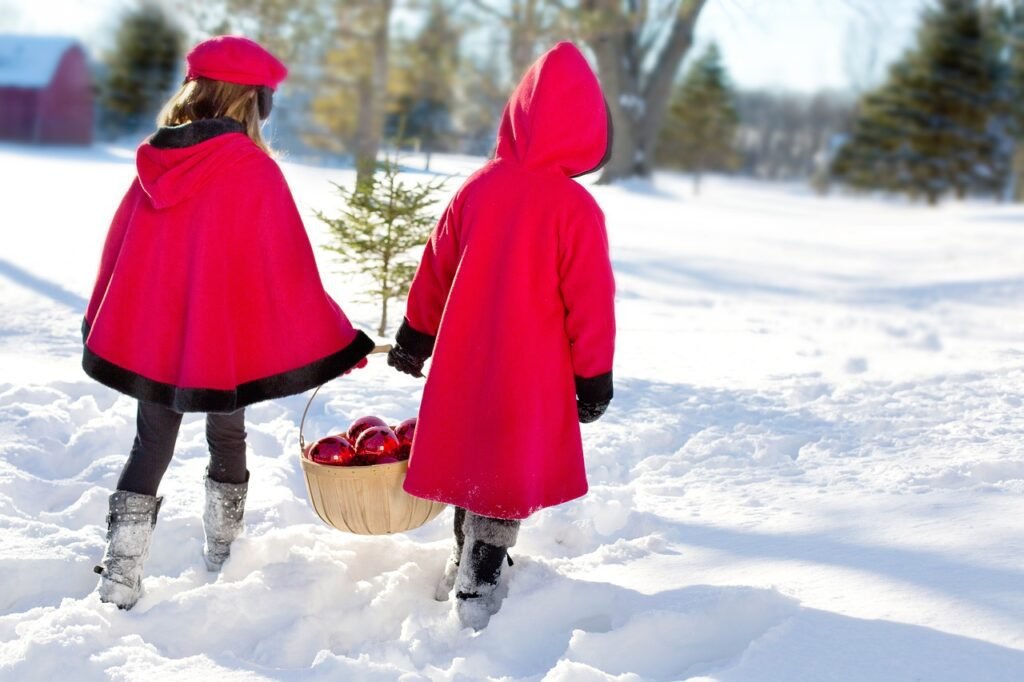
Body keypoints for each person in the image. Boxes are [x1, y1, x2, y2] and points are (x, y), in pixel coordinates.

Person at [83, 36, 374, 610]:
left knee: (151, 443)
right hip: (224, 337)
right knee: (228, 431)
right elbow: (289, 273)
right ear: (251, 103)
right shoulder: (253, 171)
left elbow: (119, 254)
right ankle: (224, 551)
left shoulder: (155, 160)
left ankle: (120, 574)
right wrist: (333, 338)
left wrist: (103, 317)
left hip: (160, 341)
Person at [387, 42, 616, 630]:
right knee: (503, 474)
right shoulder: (575, 209)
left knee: (472, 460)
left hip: (464, 362)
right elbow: (590, 306)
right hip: (530, 371)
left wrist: (416, 336)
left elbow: (434, 267)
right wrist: (592, 377)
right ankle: (478, 582)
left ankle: (467, 556)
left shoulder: (478, 188)